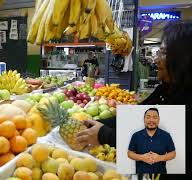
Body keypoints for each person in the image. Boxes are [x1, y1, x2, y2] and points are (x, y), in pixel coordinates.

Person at [76, 20, 192, 178]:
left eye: (163, 53)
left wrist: (104, 135)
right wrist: (93, 122)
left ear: (183, 59)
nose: (156, 60)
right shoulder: (166, 88)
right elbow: (137, 116)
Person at [128, 108, 176, 174]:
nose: (151, 120)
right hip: (141, 174)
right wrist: (141, 157)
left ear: (158, 120)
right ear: (144, 119)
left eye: (155, 117)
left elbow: (173, 153)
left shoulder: (166, 135)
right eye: (148, 117)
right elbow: (130, 153)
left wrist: (160, 158)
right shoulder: (136, 135)